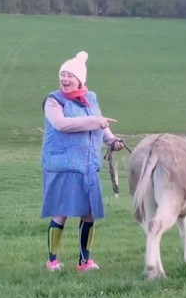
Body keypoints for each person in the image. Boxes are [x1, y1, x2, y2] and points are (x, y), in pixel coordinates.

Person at [40, 51, 125, 272]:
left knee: (89, 214)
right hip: (64, 165)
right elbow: (61, 124)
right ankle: (52, 261)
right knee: (61, 212)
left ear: (80, 80)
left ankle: (84, 261)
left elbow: (102, 124)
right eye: (63, 75)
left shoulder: (91, 98)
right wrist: (95, 121)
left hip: (88, 166)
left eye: (70, 75)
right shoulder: (53, 101)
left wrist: (112, 140)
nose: (65, 80)